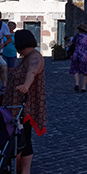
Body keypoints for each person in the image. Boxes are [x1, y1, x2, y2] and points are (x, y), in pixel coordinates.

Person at [3, 29, 46, 174]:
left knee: (22, 139)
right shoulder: (26, 57)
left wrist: (26, 86)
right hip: (14, 105)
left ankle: (23, 170)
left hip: (24, 107)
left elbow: (31, 73)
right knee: (23, 139)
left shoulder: (35, 57)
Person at [69, 23, 87, 92]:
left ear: (79, 30)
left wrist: (66, 45)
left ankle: (76, 83)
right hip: (86, 56)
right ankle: (83, 87)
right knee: (86, 71)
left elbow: (71, 43)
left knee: (75, 70)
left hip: (77, 55)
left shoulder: (77, 36)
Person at [0, 12, 13, 88]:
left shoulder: (3, 26)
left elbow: (9, 39)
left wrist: (4, 44)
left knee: (3, 68)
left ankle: (4, 85)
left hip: (0, 53)